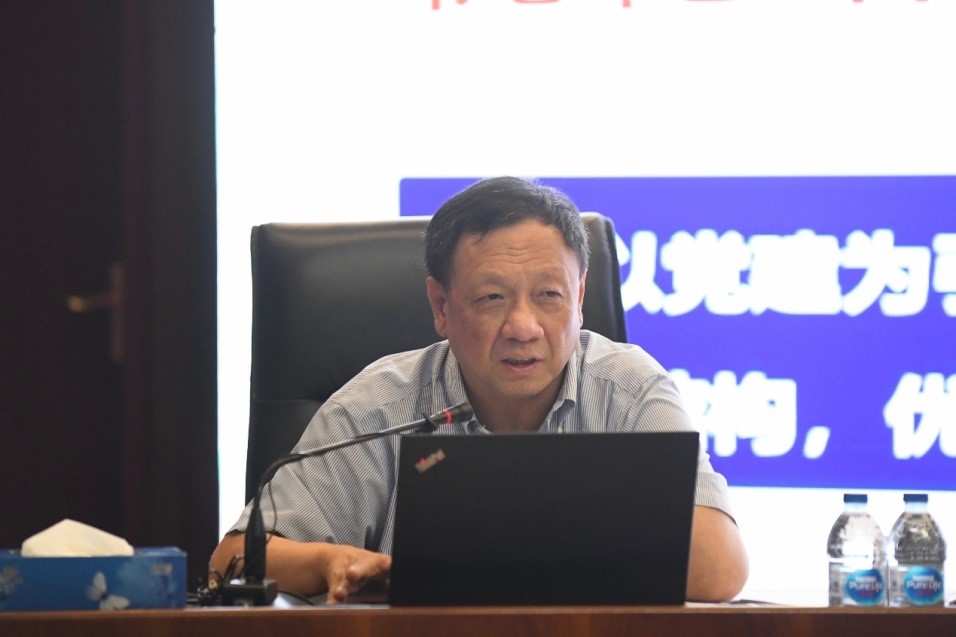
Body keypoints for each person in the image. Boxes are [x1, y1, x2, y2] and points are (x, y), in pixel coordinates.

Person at [210, 176, 749, 602]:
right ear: (441, 306)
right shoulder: (380, 406)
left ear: (581, 297)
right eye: (492, 298)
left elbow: (720, 567)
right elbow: (231, 561)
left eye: (549, 295)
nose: (523, 327)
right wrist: (330, 561)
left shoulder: (627, 390)